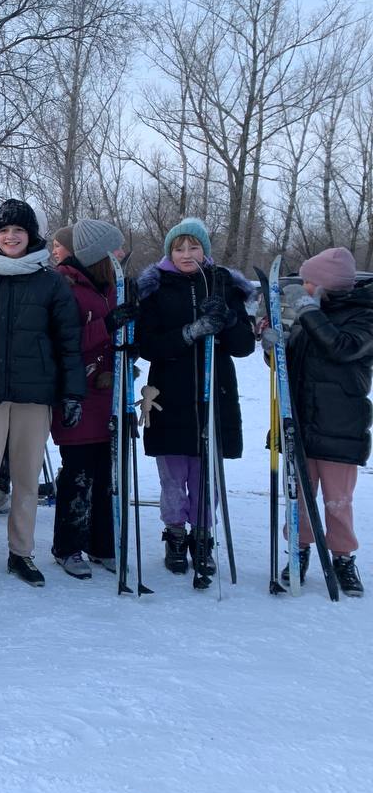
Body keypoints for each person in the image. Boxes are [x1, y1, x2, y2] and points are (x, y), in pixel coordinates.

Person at [0, 198, 84, 587]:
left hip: (34, 395)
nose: (11, 236)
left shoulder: (50, 282)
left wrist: (72, 393)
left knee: (26, 480)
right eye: (5, 230)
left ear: (31, 237)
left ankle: (21, 552)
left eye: (19, 231)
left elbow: (67, 343)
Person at [136, 218, 254, 578]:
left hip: (213, 391)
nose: (186, 254)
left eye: (194, 247)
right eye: (179, 248)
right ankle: (174, 534)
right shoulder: (155, 288)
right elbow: (148, 344)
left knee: (206, 473)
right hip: (169, 392)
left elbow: (244, 346)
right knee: (173, 473)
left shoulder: (222, 284)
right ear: (169, 251)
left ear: (205, 250)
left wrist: (229, 320)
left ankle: (203, 537)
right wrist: (190, 332)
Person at [276, 247, 371, 595]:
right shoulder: (310, 313)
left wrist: (307, 312)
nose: (304, 288)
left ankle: (343, 557)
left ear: (328, 285)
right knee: (298, 496)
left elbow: (342, 348)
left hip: (340, 426)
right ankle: (298, 550)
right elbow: (290, 370)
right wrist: (278, 346)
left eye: (310, 282)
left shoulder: (364, 316)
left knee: (338, 501)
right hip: (301, 422)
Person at [49, 220, 133, 579]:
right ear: (98, 253)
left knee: (107, 473)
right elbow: (62, 341)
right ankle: (68, 546)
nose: (122, 255)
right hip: (78, 394)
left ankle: (102, 542)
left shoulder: (117, 287)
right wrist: (108, 325)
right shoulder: (66, 286)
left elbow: (127, 335)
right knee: (79, 474)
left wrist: (131, 338)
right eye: (115, 249)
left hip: (111, 394)